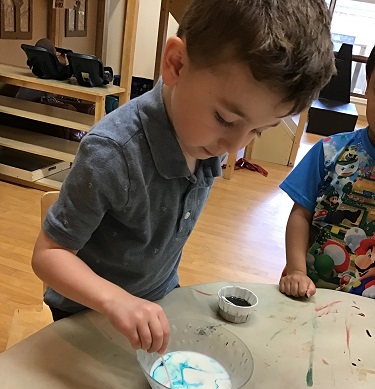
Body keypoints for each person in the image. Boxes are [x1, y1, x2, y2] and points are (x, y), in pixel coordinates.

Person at [32, 0, 335, 354]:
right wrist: (118, 302)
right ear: (176, 64)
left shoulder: (204, 140)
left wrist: (150, 301)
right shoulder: (112, 153)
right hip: (86, 316)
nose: (233, 146)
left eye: (259, 131)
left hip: (159, 300)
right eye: (225, 118)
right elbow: (48, 255)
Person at [279, 45, 375, 299]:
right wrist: (297, 271)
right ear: (367, 87)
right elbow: (301, 214)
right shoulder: (330, 150)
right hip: (311, 293)